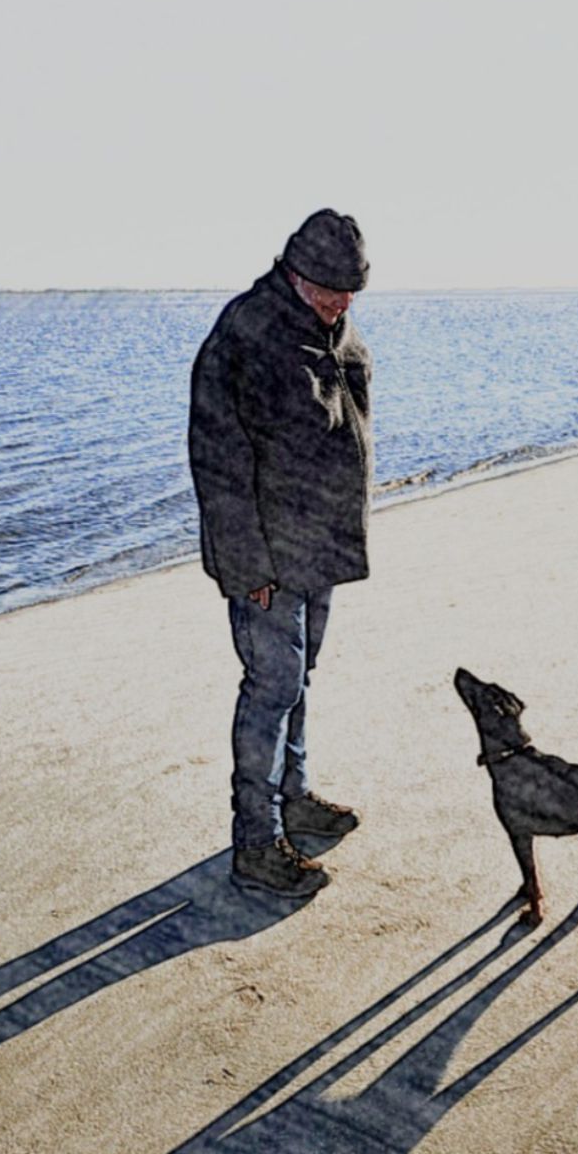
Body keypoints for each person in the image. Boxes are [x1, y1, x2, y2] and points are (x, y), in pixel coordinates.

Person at [187, 209, 373, 898]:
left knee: (301, 678)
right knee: (271, 688)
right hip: (265, 554)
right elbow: (217, 460)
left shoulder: (334, 327)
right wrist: (247, 565)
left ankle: (294, 797)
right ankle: (257, 842)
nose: (341, 302)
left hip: (320, 544)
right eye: (329, 288)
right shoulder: (247, 331)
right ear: (295, 272)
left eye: (351, 291)